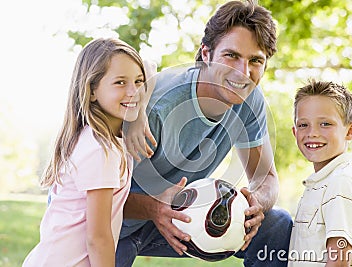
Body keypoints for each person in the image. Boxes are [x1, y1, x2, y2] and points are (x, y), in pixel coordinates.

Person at [117, 1, 293, 266]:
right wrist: (154, 208)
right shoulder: (158, 105)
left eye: (255, 60)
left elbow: (266, 178)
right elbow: (98, 194)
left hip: (178, 218)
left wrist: (255, 204)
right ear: (206, 54)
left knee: (277, 224)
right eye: (231, 55)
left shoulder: (250, 100)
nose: (242, 73)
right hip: (114, 221)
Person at [23, 38, 154, 267]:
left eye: (138, 81)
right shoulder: (100, 148)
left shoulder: (100, 139)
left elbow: (150, 65)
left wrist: (140, 111)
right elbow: (98, 238)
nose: (133, 91)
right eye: (120, 83)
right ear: (92, 90)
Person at [289, 80, 352, 267]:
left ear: (350, 130)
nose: (312, 133)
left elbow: (339, 260)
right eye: (303, 125)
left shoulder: (341, 183)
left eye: (325, 124)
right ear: (294, 132)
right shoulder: (322, 183)